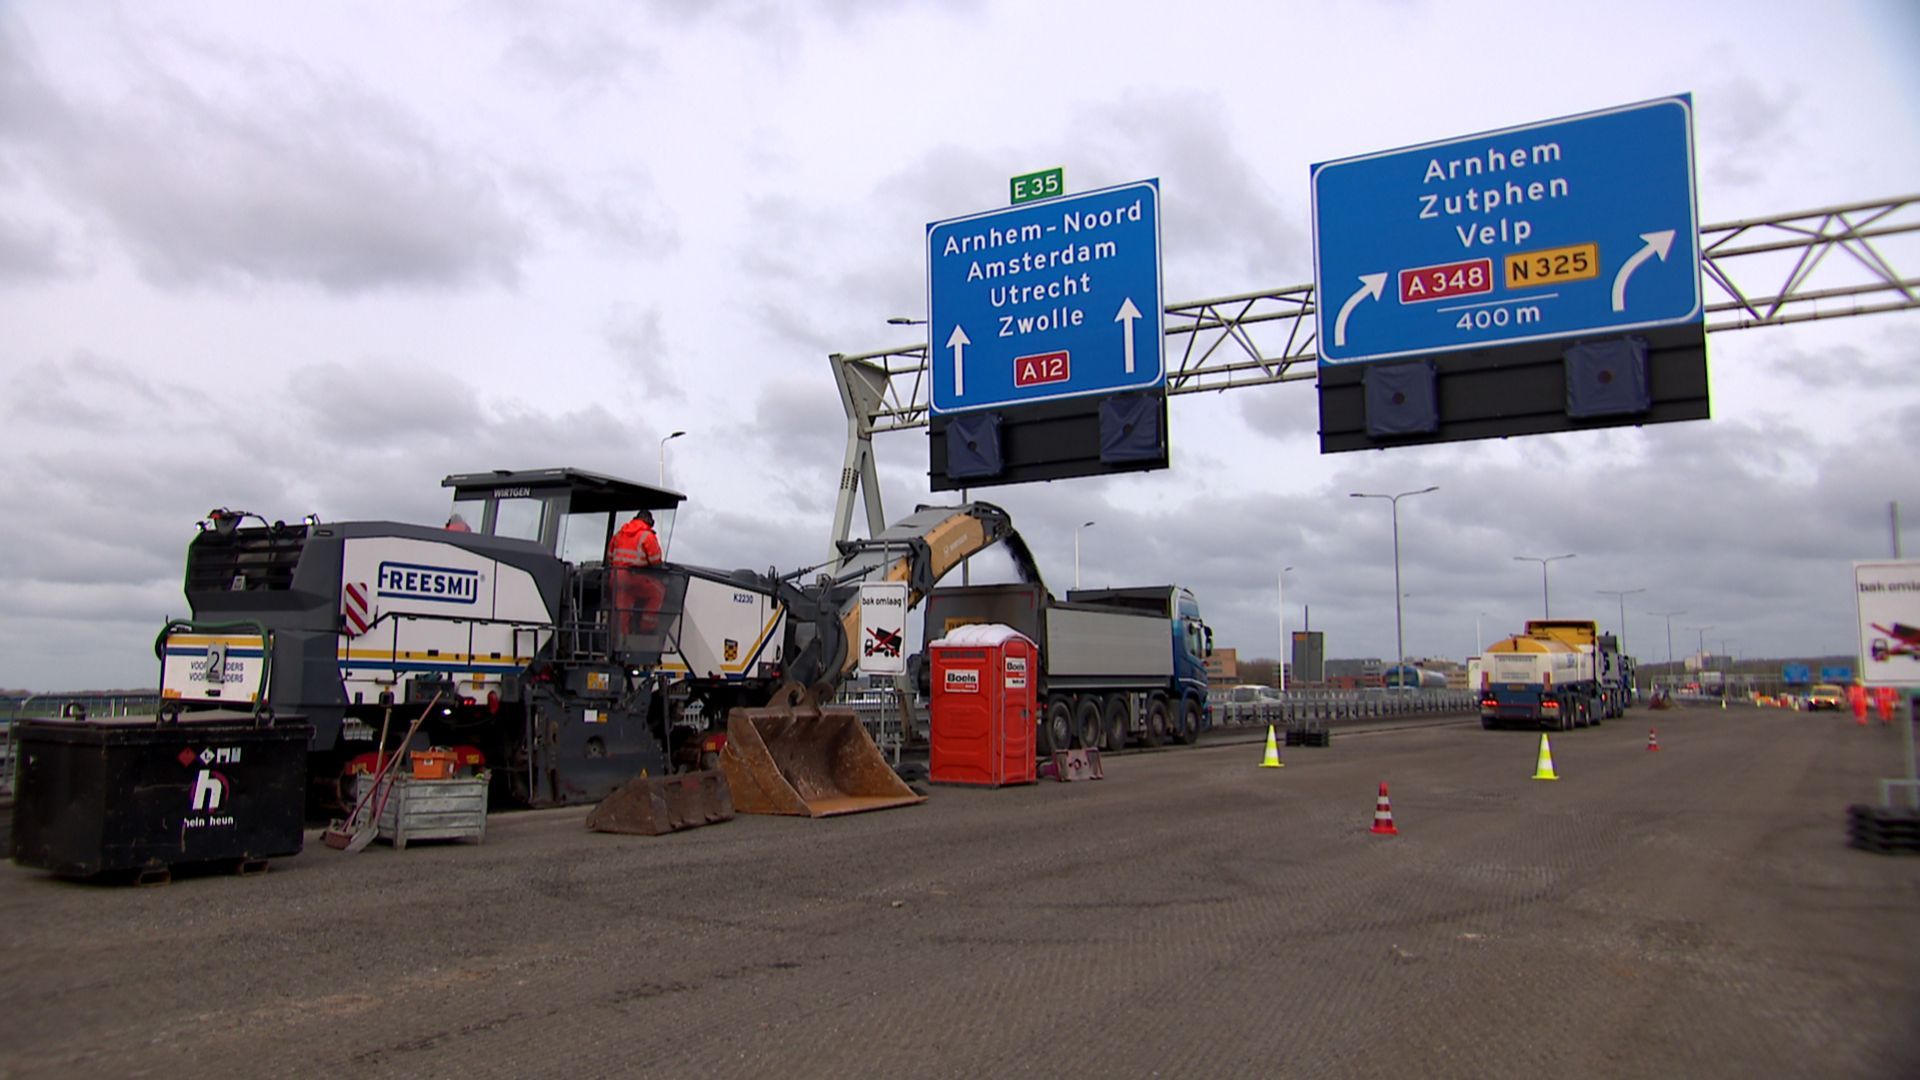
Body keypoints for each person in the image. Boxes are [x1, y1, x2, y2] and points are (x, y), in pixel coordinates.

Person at [609, 509, 666, 638]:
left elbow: (610, 557)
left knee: (622, 609)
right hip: (633, 578)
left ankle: (620, 638)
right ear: (649, 521)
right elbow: (655, 561)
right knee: (658, 592)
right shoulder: (647, 536)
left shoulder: (619, 534)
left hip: (616, 578)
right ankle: (647, 628)